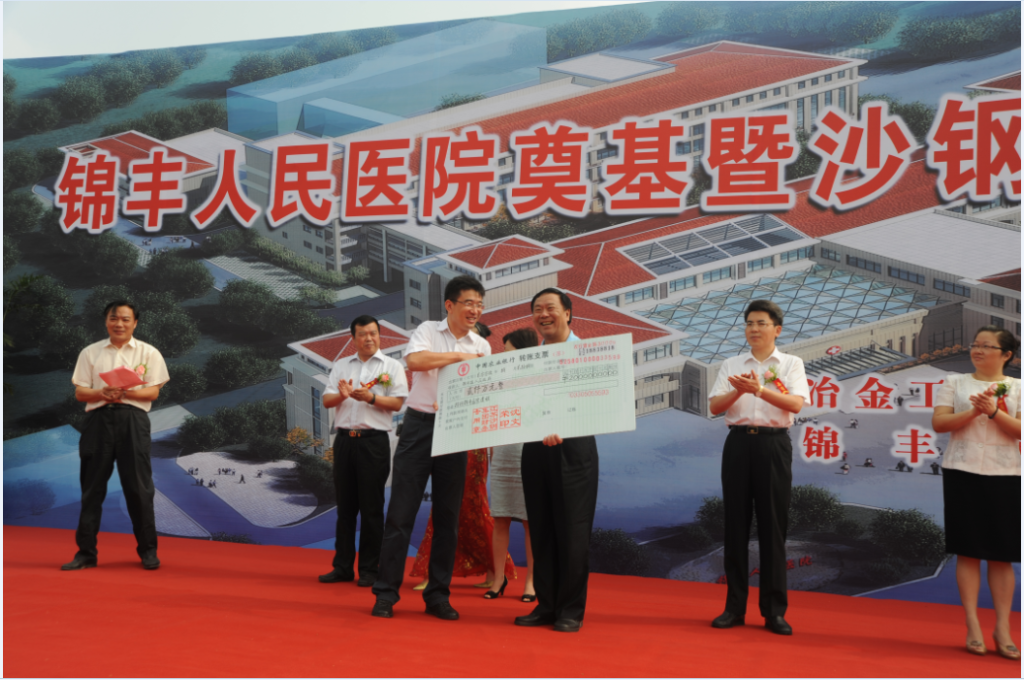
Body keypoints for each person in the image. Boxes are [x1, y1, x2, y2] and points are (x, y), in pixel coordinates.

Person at [370, 276, 491, 620]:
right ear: (450, 305)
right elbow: (416, 362)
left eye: (480, 304)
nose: (475, 310)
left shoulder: (482, 346)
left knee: (447, 519)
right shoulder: (428, 330)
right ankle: (385, 594)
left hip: (455, 428)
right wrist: (459, 357)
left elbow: (482, 387)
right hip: (419, 427)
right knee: (400, 515)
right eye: (469, 303)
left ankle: (438, 595)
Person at [707, 299, 809, 636]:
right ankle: (734, 608)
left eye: (761, 323)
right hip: (738, 444)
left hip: (773, 445)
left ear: (776, 329)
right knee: (735, 526)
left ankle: (774, 612)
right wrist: (739, 391)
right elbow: (715, 407)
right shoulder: (732, 364)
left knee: (772, 527)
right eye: (749, 323)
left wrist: (760, 390)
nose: (753, 328)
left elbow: (795, 403)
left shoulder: (791, 363)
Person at [932, 326, 1021, 660]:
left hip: (1005, 473)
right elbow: (940, 423)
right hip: (962, 471)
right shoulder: (954, 383)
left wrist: (994, 412)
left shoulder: (1019, 387)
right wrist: (974, 410)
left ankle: (1003, 628)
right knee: (967, 551)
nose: (978, 350)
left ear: (1006, 354)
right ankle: (972, 625)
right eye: (975, 345)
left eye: (987, 346)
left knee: (1001, 554)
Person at [514, 289, 599, 634]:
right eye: (537, 309)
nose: (543, 314)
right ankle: (546, 605)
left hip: (574, 448)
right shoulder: (530, 360)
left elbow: (598, 405)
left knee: (573, 531)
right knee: (542, 528)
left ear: (568, 313)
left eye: (550, 308)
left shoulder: (588, 356)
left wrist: (565, 426)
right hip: (536, 447)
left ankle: (571, 610)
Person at [62, 300, 169, 571]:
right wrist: (102, 392)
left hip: (133, 420)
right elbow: (80, 393)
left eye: (125, 319)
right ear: (106, 321)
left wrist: (125, 393)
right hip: (98, 420)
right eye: (113, 318)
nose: (119, 324)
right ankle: (85, 553)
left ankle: (148, 551)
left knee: (139, 488)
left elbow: (153, 392)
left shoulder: (149, 352)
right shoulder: (90, 352)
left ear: (135, 323)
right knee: (92, 489)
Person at [319, 315, 408, 588]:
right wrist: (343, 395)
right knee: (345, 507)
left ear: (379, 335)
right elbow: (327, 400)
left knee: (372, 508)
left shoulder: (392, 366)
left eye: (373, 333)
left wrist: (371, 397)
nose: (369, 338)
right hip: (345, 441)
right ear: (353, 338)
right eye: (362, 334)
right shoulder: (341, 366)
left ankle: (370, 569)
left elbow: (398, 404)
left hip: (374, 443)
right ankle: (342, 567)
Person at [408, 449, 517, 591]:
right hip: (448, 447)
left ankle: (494, 571)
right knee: (442, 506)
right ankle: (430, 575)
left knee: (476, 509)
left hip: (474, 450)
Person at [486, 327, 541, 602]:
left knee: (531, 522)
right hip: (501, 454)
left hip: (529, 453)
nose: (503, 356)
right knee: (500, 519)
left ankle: (531, 581)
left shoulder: (541, 379)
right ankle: (499, 578)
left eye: (507, 351)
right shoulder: (498, 380)